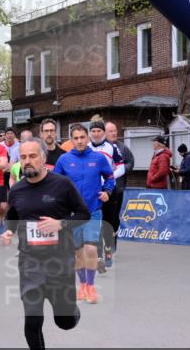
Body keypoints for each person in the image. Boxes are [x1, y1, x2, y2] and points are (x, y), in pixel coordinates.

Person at [2, 139, 90, 350]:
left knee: (64, 322)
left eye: (32, 156)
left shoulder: (61, 185)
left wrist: (60, 224)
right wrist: (7, 235)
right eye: (23, 157)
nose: (27, 161)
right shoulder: (16, 190)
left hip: (59, 261)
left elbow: (83, 213)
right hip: (30, 263)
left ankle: (70, 311)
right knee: (32, 318)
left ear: (43, 158)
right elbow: (12, 220)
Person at [53, 124, 114, 304]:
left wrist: (107, 192)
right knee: (78, 253)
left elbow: (110, 177)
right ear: (71, 140)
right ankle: (82, 285)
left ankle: (91, 287)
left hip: (93, 210)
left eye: (82, 137)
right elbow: (56, 183)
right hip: (73, 214)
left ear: (87, 138)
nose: (79, 141)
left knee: (91, 248)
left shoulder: (99, 158)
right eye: (76, 138)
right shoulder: (64, 159)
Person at [89, 119, 124, 272]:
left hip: (109, 190)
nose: (96, 134)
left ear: (103, 132)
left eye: (99, 131)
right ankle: (99, 257)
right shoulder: (87, 148)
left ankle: (108, 247)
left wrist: (109, 177)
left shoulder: (111, 147)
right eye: (93, 131)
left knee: (108, 223)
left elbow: (121, 168)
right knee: (96, 222)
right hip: (93, 191)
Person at [103, 121, 133, 267]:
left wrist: (119, 169)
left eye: (115, 131)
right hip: (101, 190)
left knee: (114, 218)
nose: (114, 133)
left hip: (118, 188)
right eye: (111, 131)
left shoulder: (122, 148)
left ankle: (112, 242)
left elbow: (130, 163)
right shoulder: (100, 148)